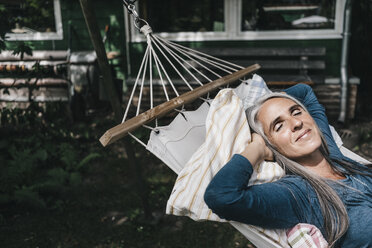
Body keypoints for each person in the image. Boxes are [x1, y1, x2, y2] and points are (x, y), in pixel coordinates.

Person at [204, 83, 372, 248]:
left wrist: (269, 100)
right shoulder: (298, 195)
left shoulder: (330, 153)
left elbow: (304, 91)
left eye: (296, 112)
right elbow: (222, 197)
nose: (297, 123)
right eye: (279, 126)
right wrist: (257, 148)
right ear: (271, 145)